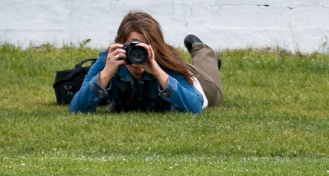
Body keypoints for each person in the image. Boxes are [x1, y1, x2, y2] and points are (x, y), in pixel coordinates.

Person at [69, 11, 223, 114]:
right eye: (133, 45)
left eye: (143, 46)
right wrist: (105, 74)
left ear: (155, 45)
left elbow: (194, 108)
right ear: (120, 43)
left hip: (196, 83)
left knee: (210, 78)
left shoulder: (166, 59)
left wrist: (158, 72)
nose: (138, 52)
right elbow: (75, 109)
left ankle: (202, 50)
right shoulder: (109, 60)